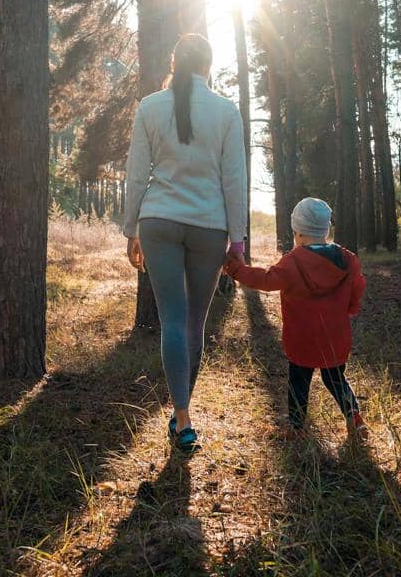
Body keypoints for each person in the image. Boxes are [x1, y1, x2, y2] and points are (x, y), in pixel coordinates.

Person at [122, 33, 248, 454]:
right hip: (209, 226)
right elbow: (234, 181)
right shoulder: (226, 111)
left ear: (176, 63)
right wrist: (238, 240)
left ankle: (181, 415)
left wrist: (130, 229)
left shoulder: (150, 106)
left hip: (158, 221)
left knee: (173, 320)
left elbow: (137, 174)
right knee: (194, 323)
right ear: (208, 66)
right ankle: (183, 414)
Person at [223, 197, 368, 440]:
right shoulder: (348, 260)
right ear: (326, 229)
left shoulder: (293, 262)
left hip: (302, 340)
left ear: (298, 233)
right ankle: (353, 415)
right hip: (336, 337)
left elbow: (265, 279)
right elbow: (357, 287)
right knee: (335, 378)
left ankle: (297, 427)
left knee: (299, 382)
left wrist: (235, 268)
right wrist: (350, 309)